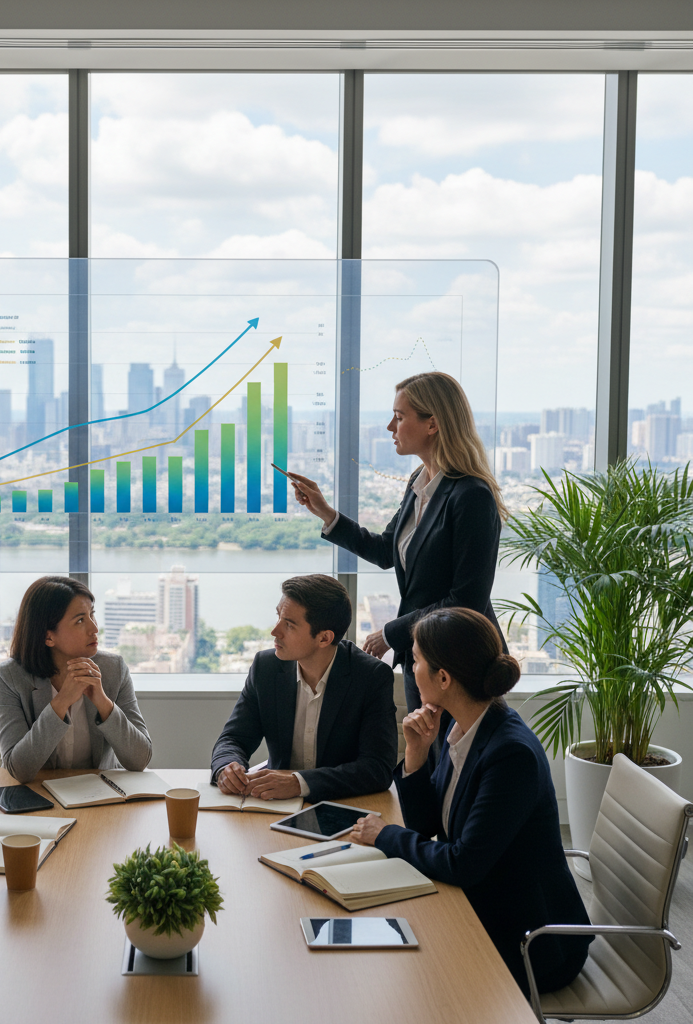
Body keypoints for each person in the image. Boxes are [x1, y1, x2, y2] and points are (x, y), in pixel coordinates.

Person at [348, 607, 591, 996]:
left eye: (416, 660)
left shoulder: (510, 754)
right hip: (481, 904)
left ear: (443, 678)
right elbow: (428, 827)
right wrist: (416, 754)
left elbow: (462, 863)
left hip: (532, 942)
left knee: (392, 976)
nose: (411, 669)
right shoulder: (463, 725)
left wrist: (384, 835)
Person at [287, 371, 507, 714]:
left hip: (461, 663)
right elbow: (385, 551)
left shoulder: (471, 496)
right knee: (426, 746)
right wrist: (326, 513)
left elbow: (467, 600)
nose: (391, 426)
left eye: (400, 417)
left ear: (432, 424)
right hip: (423, 659)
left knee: (457, 749)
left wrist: (392, 634)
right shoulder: (419, 482)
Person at [210, 574, 397, 802]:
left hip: (343, 803)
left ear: (324, 638)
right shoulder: (265, 667)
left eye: (289, 625)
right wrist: (228, 767)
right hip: (277, 804)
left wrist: (299, 783)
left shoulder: (371, 677)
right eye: (278, 617)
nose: (274, 631)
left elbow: (378, 768)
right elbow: (233, 739)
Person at [0, 576, 152, 782]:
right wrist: (61, 702)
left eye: (92, 615)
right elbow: (19, 769)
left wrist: (103, 702)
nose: (94, 629)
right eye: (80, 620)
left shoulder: (114, 669)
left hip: (100, 793)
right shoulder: (9, 677)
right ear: (48, 637)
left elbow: (140, 760)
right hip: (38, 793)